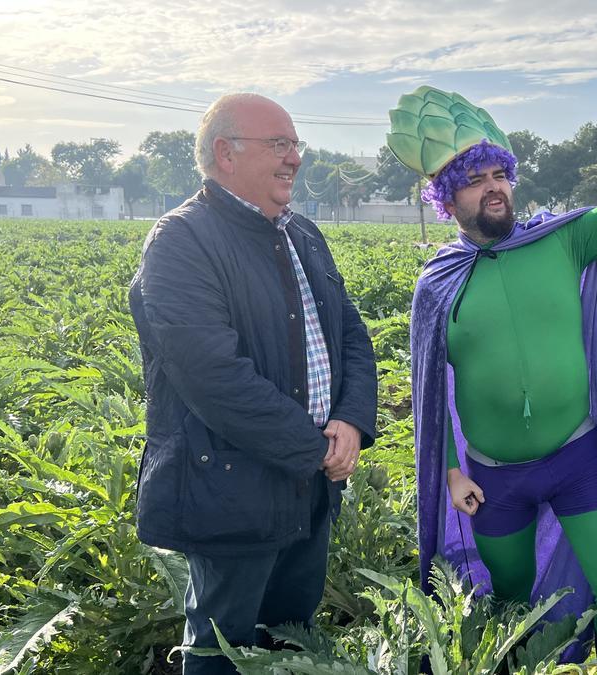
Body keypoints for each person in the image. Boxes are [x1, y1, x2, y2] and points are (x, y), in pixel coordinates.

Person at [396, 68, 597, 674]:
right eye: (475, 181)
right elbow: (428, 392)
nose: (494, 188)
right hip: (494, 480)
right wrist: (447, 470)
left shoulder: (563, 241)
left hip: (577, 458)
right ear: (447, 200)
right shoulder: (437, 285)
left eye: (500, 174)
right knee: (511, 608)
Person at [128, 93, 378, 674]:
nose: (295, 158)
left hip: (310, 486)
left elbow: (351, 338)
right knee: (224, 646)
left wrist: (351, 422)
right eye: (279, 145)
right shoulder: (182, 241)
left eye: (296, 145)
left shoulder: (304, 235)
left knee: (292, 641)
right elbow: (214, 378)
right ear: (225, 153)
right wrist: (316, 448)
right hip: (229, 490)